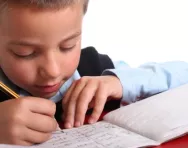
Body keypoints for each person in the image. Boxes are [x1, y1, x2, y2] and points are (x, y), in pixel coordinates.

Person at [0, 0, 188, 146]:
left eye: (68, 46)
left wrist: (119, 82)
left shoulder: (93, 67)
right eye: (25, 53)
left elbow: (183, 73)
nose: (52, 71)